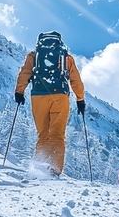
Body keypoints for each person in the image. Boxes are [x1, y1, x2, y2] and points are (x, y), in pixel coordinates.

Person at [14, 31, 85, 177]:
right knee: (57, 135)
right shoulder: (65, 57)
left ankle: (39, 165)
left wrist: (19, 92)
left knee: (43, 134)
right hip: (60, 97)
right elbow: (75, 80)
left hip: (38, 97)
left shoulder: (33, 56)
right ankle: (54, 169)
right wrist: (80, 99)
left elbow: (24, 73)